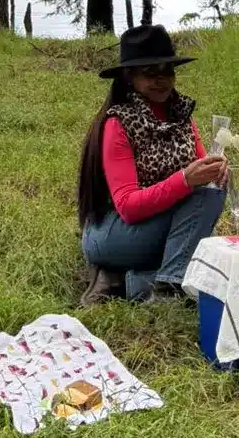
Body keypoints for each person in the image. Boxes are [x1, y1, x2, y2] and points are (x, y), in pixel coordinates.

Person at [77, 24, 229, 305]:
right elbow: (128, 207)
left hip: (159, 226)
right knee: (201, 198)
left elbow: (201, 174)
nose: (162, 80)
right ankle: (168, 287)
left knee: (212, 192)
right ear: (129, 77)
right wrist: (185, 180)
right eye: (150, 73)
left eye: (167, 71)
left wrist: (214, 171)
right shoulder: (119, 122)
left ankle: (126, 282)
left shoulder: (181, 114)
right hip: (113, 232)